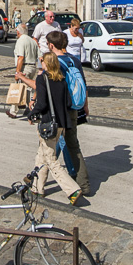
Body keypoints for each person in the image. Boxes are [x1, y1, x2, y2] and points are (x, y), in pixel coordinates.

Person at [17, 53, 85, 206]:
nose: (41, 63)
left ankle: (72, 189)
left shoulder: (43, 78)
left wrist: (31, 114)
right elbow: (68, 102)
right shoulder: (61, 79)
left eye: (42, 61)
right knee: (42, 154)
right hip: (62, 123)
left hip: (49, 123)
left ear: (46, 63)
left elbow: (41, 103)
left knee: (51, 159)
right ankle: (36, 187)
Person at [49, 30, 90, 195]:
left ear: (52, 45)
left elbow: (51, 88)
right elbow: (84, 84)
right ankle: (84, 184)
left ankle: (36, 179)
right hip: (74, 107)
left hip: (58, 110)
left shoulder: (54, 62)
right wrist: (85, 105)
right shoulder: (74, 60)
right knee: (73, 145)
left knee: (48, 147)